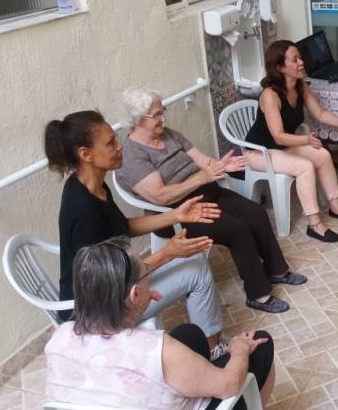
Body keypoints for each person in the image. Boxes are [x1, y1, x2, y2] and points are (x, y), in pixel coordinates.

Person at [45, 110, 227, 358]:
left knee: (193, 261)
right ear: (85, 154)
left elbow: (123, 226)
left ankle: (210, 346)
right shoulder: (83, 210)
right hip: (98, 312)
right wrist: (166, 254)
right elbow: (110, 280)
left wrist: (175, 215)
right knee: (197, 271)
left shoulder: (92, 186)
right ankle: (213, 352)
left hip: (116, 285)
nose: (120, 146)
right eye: (110, 143)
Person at [116, 88, 307, 314]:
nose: (163, 118)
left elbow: (202, 160)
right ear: (137, 119)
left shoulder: (169, 134)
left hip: (208, 191)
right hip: (179, 212)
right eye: (157, 115)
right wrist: (201, 177)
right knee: (238, 230)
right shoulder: (132, 156)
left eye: (162, 111)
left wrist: (218, 166)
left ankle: (276, 270)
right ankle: (258, 294)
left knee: (256, 212)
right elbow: (160, 195)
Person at [46, 237, 275, 410]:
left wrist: (139, 303)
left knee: (190, 334)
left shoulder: (59, 337)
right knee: (260, 344)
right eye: (147, 273)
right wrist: (240, 350)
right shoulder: (158, 348)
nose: (149, 276)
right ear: (134, 294)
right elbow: (229, 385)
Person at [244, 40, 338, 243]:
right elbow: (277, 135)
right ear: (280, 68)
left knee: (323, 155)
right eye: (295, 59)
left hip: (282, 147)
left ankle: (335, 207)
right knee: (304, 167)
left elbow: (319, 113)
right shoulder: (270, 95)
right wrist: (306, 140)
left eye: (300, 57)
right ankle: (314, 224)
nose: (302, 62)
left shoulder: (300, 86)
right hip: (259, 152)